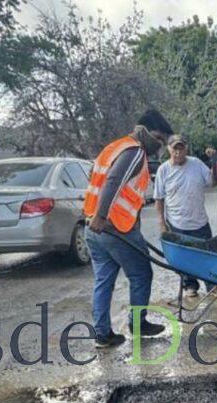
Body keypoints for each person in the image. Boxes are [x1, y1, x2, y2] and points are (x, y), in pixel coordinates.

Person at [84, 109, 173, 348]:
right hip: (114, 228)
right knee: (141, 273)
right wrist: (103, 216)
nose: (160, 146)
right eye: (159, 140)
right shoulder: (134, 151)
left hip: (93, 229)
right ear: (145, 131)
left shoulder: (114, 147)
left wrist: (96, 217)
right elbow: (113, 180)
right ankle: (138, 324)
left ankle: (102, 334)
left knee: (104, 280)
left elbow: (94, 176)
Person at [154, 134, 216, 298]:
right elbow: (159, 198)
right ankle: (190, 285)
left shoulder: (196, 163)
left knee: (207, 255)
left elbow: (211, 182)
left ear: (186, 149)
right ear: (169, 149)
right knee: (184, 258)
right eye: (174, 149)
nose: (178, 153)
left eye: (181, 148)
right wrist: (161, 222)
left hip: (200, 221)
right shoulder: (163, 170)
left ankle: (212, 286)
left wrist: (214, 162)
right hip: (177, 223)